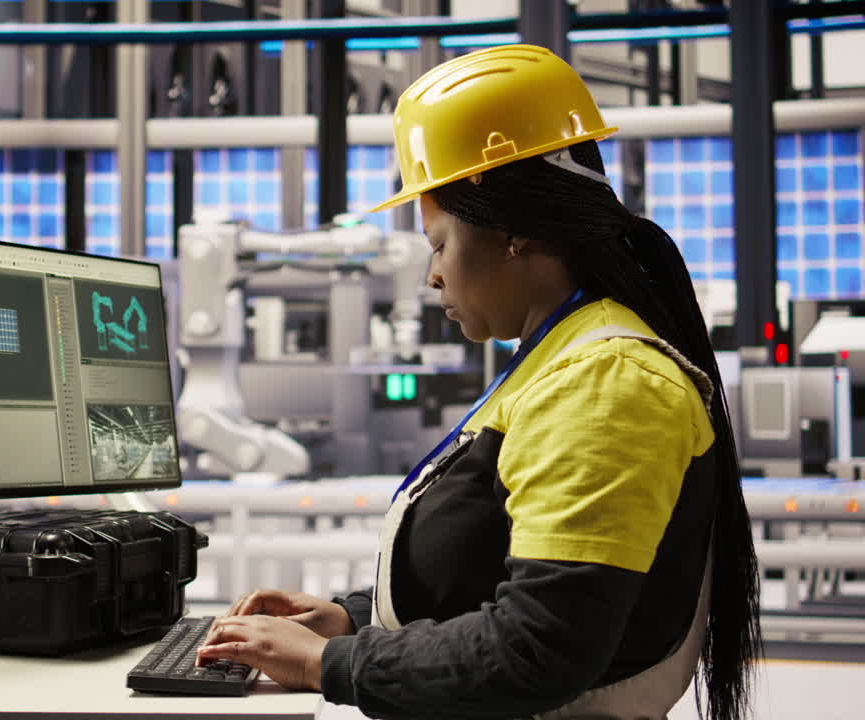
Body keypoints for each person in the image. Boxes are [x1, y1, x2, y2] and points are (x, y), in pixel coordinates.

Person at [195, 44, 761, 720]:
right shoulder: (560, 358)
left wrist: (328, 665)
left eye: (438, 244)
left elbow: (537, 649)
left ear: (513, 231)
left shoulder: (604, 380)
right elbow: (496, 577)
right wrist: (353, 619)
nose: (433, 275)